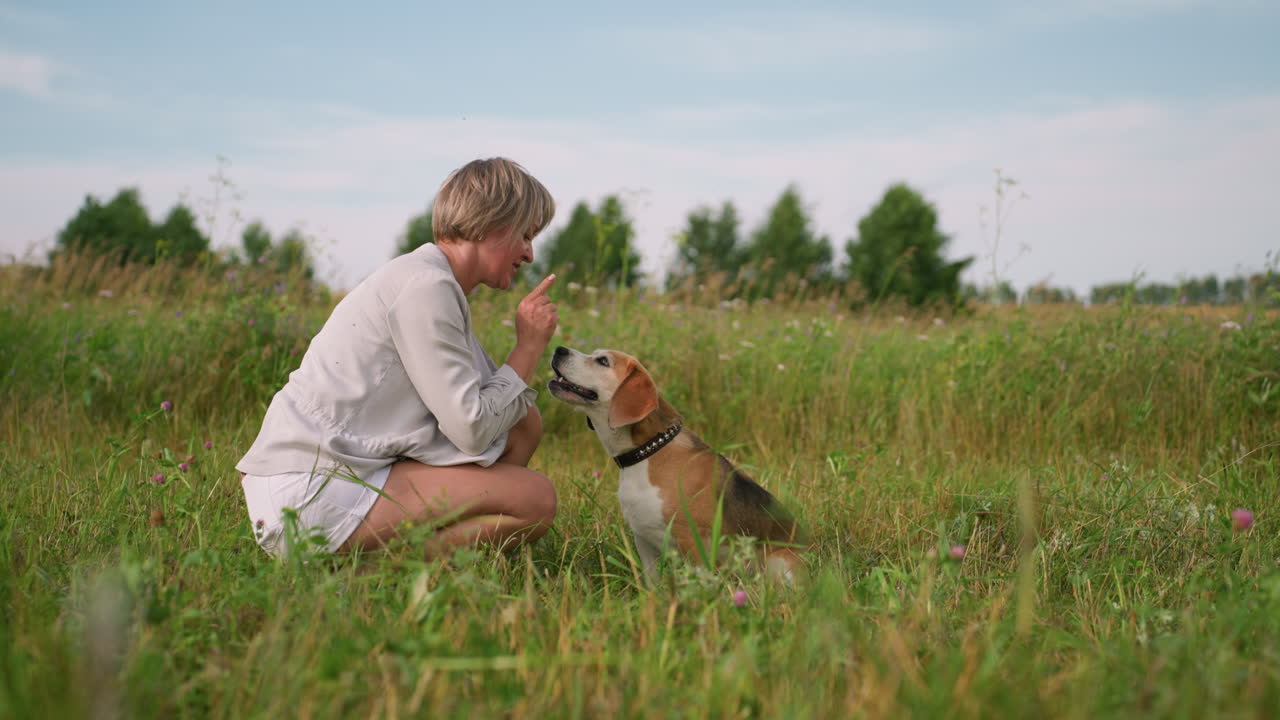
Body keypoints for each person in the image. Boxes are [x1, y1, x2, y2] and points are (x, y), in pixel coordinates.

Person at [237, 157, 560, 559]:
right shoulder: (426, 286)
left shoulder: (432, 281)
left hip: (335, 476)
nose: (530, 254)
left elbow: (497, 416)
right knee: (535, 500)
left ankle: (420, 561)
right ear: (496, 223)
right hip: (307, 493)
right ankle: (369, 578)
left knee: (523, 422)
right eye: (526, 235)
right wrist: (528, 347)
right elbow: (473, 429)